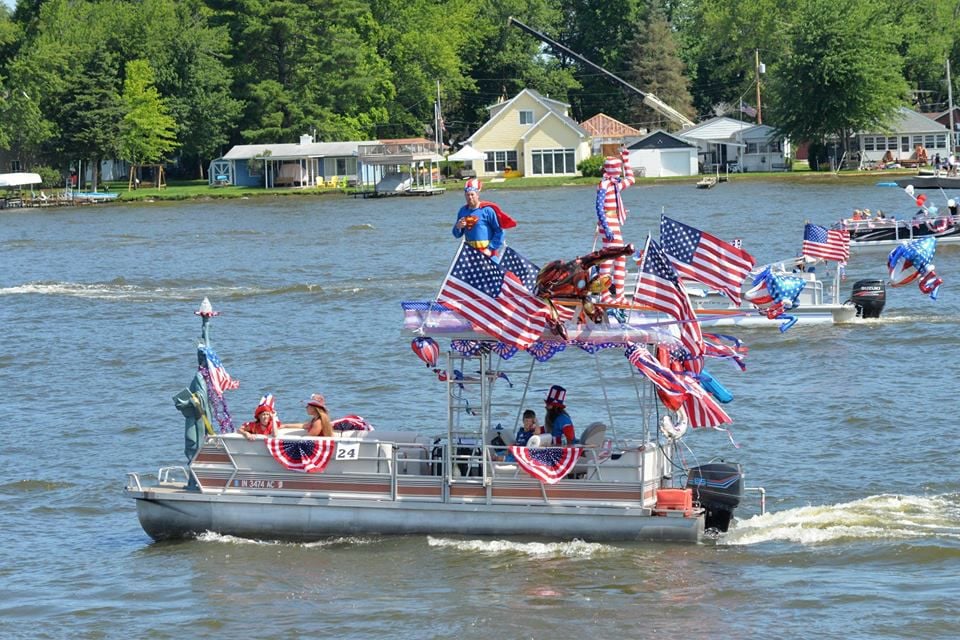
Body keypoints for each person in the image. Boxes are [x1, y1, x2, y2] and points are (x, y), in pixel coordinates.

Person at [595, 149, 635, 304]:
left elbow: (631, 179)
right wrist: (605, 226)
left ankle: (619, 296)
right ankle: (606, 295)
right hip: (608, 223)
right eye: (617, 168)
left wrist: (626, 159)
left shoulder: (616, 185)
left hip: (615, 223)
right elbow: (599, 207)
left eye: (620, 168)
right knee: (611, 257)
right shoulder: (604, 184)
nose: (619, 171)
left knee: (618, 257)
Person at [452, 178, 515, 261]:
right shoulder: (463, 211)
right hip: (471, 255)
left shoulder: (487, 211)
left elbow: (500, 231)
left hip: (488, 254)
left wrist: (490, 249)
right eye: (467, 195)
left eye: (472, 194)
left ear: (477, 195)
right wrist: (458, 227)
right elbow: (457, 235)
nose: (470, 197)